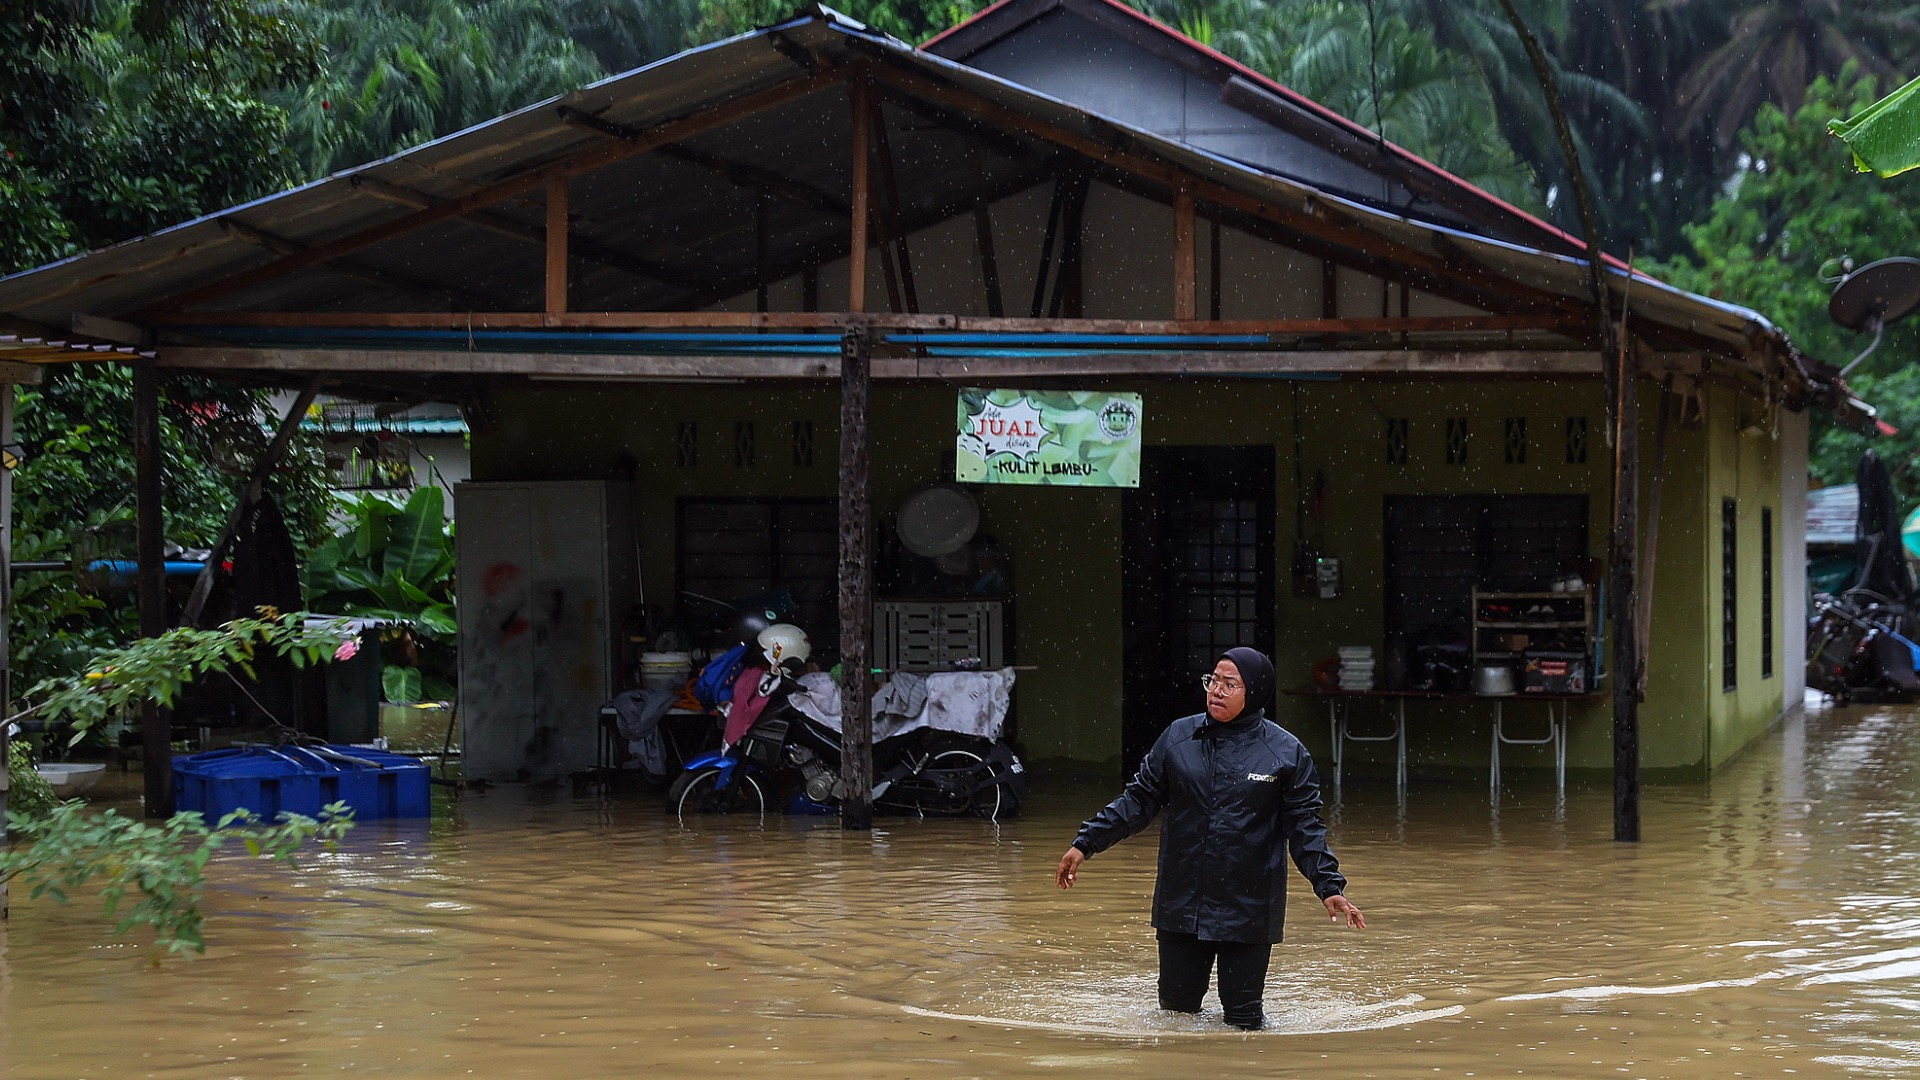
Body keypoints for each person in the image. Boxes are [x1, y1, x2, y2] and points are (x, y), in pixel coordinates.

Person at [1055, 646, 1365, 1030]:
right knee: (1174, 1018)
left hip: (1249, 906)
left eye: (1229, 684)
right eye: (1212, 681)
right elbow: (1138, 800)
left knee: (1244, 1022)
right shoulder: (1179, 738)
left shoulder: (1285, 753)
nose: (1216, 690)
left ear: (1254, 691)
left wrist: (1329, 885)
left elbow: (1305, 828)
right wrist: (1086, 842)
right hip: (1182, 900)